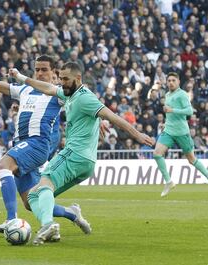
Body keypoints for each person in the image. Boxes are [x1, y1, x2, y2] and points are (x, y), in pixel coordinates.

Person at [9, 62, 155, 245]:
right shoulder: (69, 93)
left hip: (75, 154)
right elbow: (46, 87)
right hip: (86, 163)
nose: (62, 83)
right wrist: (21, 78)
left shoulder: (85, 98)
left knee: (46, 179)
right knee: (33, 196)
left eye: (66, 79)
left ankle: (48, 224)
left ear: (78, 79)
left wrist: (138, 135)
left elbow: (114, 117)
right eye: (61, 79)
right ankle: (63, 219)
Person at [0, 51, 91, 240]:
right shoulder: (24, 90)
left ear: (54, 73)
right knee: (30, 202)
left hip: (36, 144)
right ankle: (72, 213)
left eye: (44, 70)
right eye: (37, 70)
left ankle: (11, 220)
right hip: (22, 144)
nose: (40, 73)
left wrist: (99, 120)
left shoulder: (57, 93)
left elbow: (83, 97)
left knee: (3, 165)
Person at [152, 72, 208, 197]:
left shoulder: (182, 94)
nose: (171, 82)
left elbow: (189, 111)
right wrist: (165, 124)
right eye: (169, 80)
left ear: (178, 82)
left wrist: (173, 110)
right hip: (169, 131)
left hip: (182, 132)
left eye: (173, 80)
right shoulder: (167, 95)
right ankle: (169, 181)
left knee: (191, 159)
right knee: (156, 153)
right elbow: (169, 115)